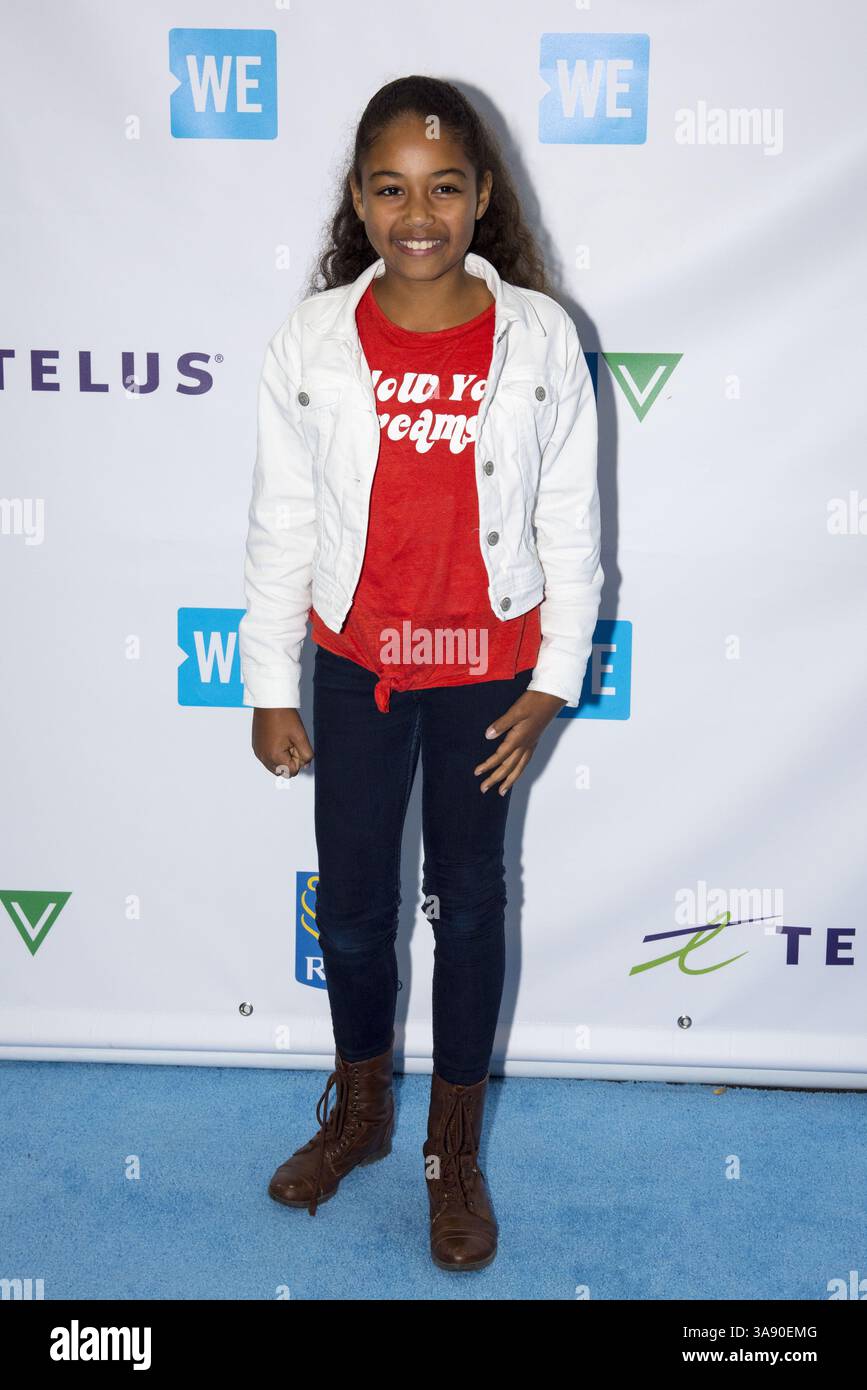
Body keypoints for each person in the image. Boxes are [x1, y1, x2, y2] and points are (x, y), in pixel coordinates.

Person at [239, 75, 603, 1273]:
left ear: (482, 196)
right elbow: (283, 522)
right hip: (356, 668)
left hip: (486, 675)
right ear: (358, 198)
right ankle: (359, 1115)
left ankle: (452, 1157)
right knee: (351, 908)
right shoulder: (313, 340)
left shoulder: (541, 337)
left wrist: (550, 681)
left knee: (471, 903)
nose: (419, 212)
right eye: (391, 187)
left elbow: (570, 525)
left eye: (445, 187)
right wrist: (269, 681)